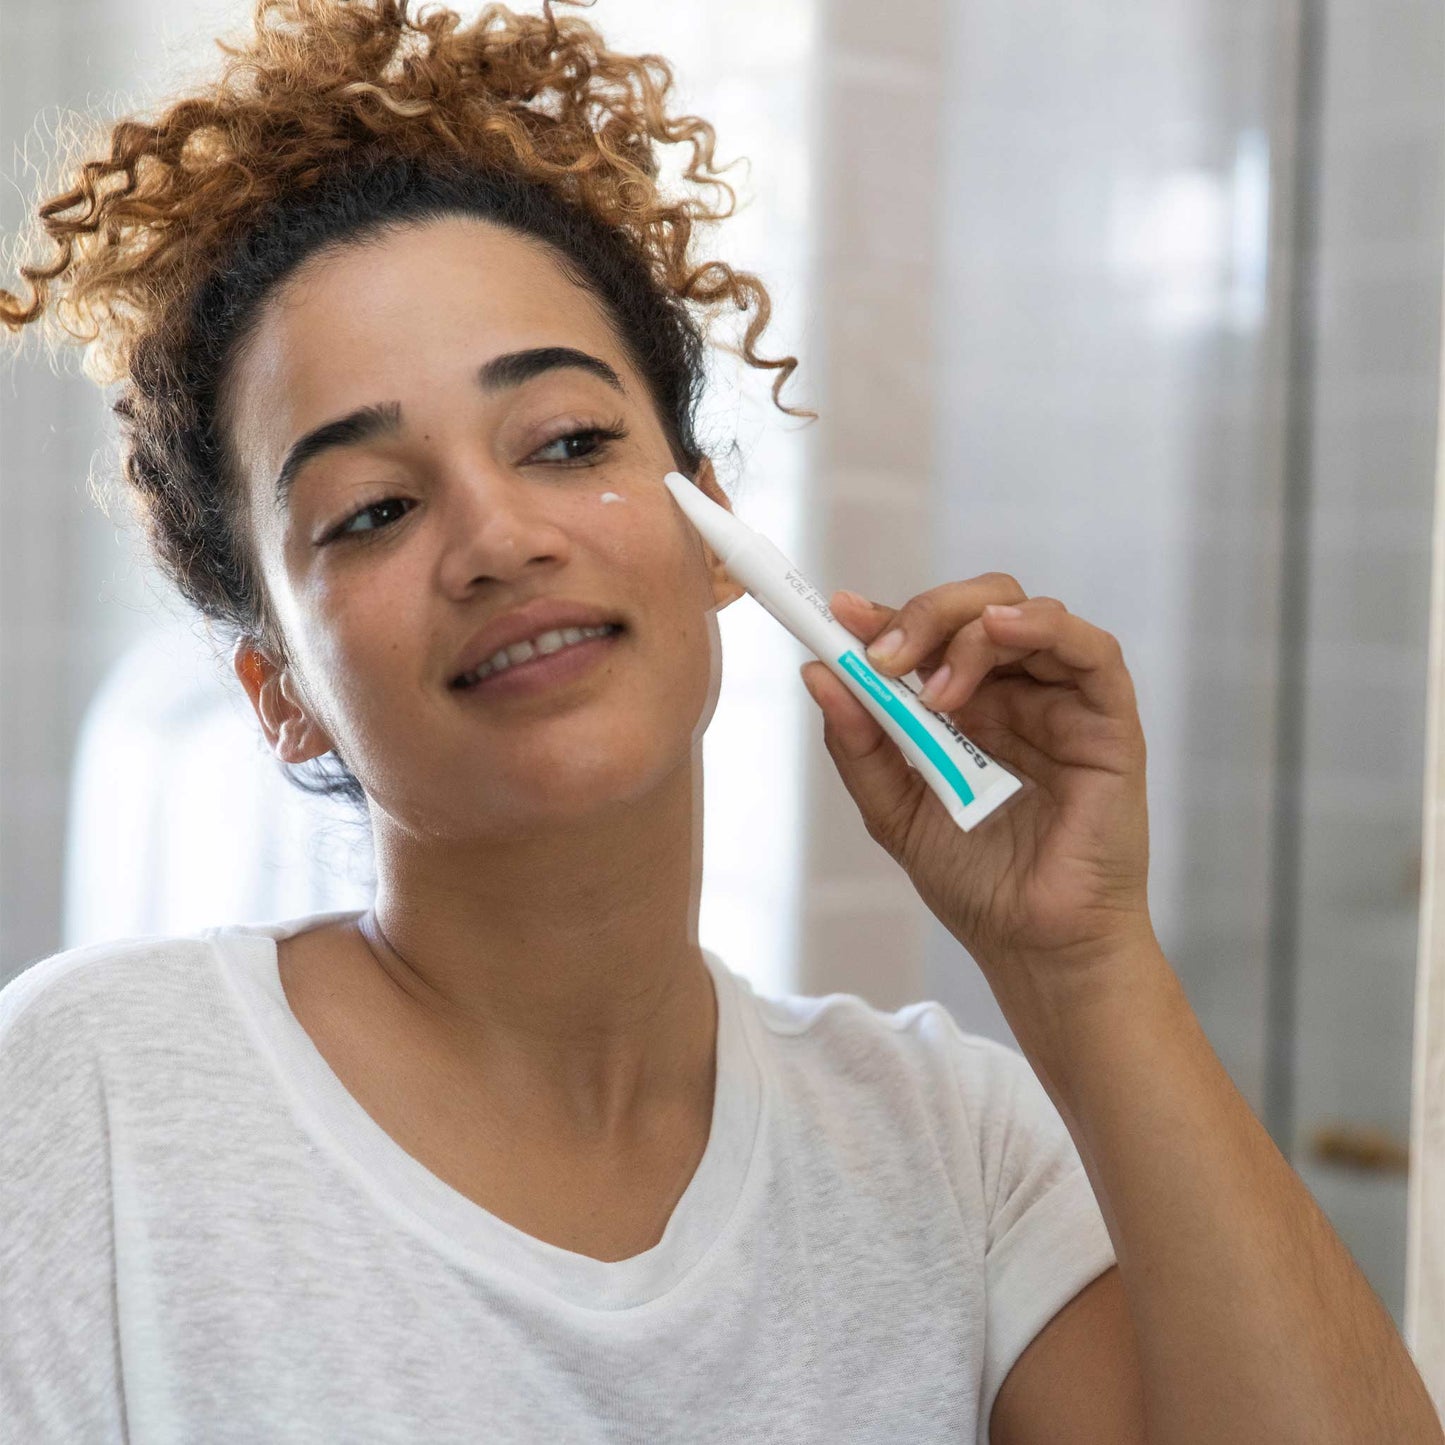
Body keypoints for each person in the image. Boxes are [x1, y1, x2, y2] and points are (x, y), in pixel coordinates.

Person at [0, 1, 1438, 1440]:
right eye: (372, 508)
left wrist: (1083, 962)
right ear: (286, 700)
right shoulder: (94, 1100)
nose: (497, 535)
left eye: (568, 441)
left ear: (716, 540)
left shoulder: (952, 1147)